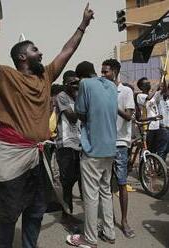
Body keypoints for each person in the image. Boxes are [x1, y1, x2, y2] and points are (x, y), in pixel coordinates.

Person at [0, 4, 94, 247]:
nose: (41, 52)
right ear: (22, 56)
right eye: (35, 49)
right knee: (7, 214)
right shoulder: (4, 75)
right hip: (10, 157)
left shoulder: (45, 75)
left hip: (37, 156)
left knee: (35, 211)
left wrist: (83, 25)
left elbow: (67, 50)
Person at [67, 61, 117, 248]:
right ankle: (109, 233)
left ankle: (89, 239)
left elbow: (80, 112)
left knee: (90, 196)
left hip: (93, 148)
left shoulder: (85, 84)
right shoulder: (111, 85)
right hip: (110, 148)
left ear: (80, 77)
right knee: (105, 192)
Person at [101, 59, 136, 239]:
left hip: (120, 144)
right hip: (104, 144)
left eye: (106, 71)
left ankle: (124, 220)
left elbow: (129, 116)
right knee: (104, 186)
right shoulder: (103, 90)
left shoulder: (126, 91)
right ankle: (108, 221)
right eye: (102, 71)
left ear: (114, 71)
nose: (103, 74)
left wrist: (112, 106)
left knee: (122, 183)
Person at [55, 70, 82, 230]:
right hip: (65, 145)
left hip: (79, 144)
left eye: (77, 83)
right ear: (65, 83)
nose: (76, 86)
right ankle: (66, 216)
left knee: (76, 179)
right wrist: (81, 102)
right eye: (72, 83)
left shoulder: (76, 97)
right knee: (67, 183)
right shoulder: (62, 97)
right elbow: (72, 117)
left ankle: (69, 214)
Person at [135, 77, 162, 153]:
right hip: (147, 127)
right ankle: (144, 163)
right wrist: (156, 86)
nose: (149, 84)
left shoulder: (152, 96)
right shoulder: (140, 96)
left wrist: (161, 77)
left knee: (155, 150)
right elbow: (149, 98)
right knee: (147, 150)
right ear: (141, 87)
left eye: (149, 83)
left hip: (156, 126)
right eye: (147, 84)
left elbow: (162, 90)